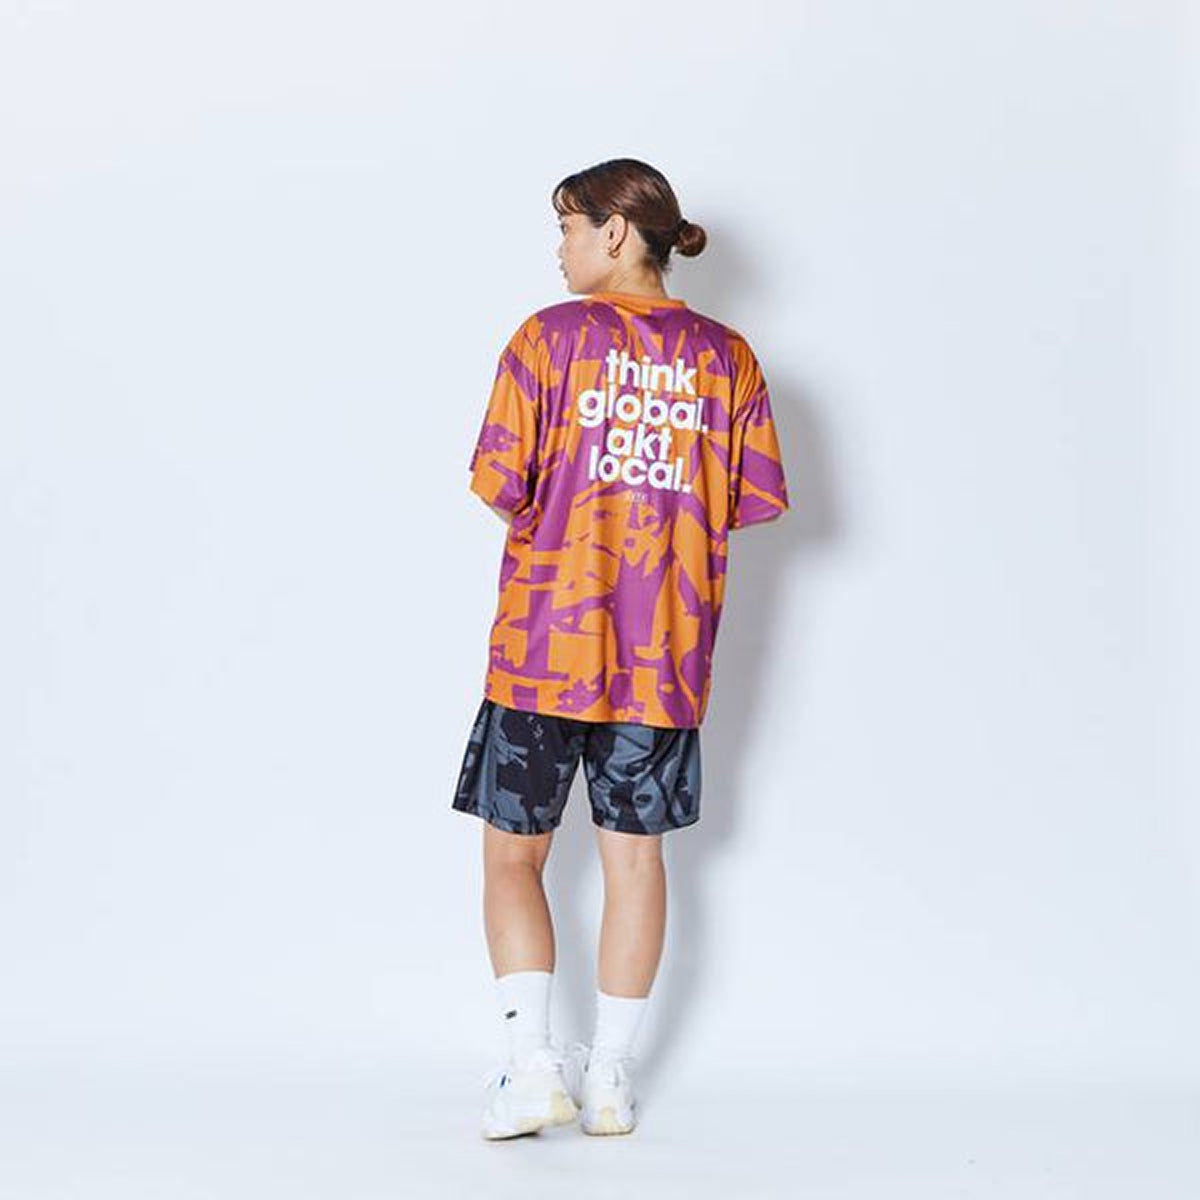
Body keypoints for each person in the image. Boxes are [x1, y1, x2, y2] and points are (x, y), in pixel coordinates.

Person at [451, 158, 790, 1139]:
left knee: (514, 858)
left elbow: (500, 486)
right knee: (636, 862)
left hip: (543, 649)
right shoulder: (729, 360)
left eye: (567, 227)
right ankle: (608, 1080)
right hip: (664, 658)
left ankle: (530, 1067)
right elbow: (749, 501)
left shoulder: (546, 342)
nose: (558, 249)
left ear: (612, 231)